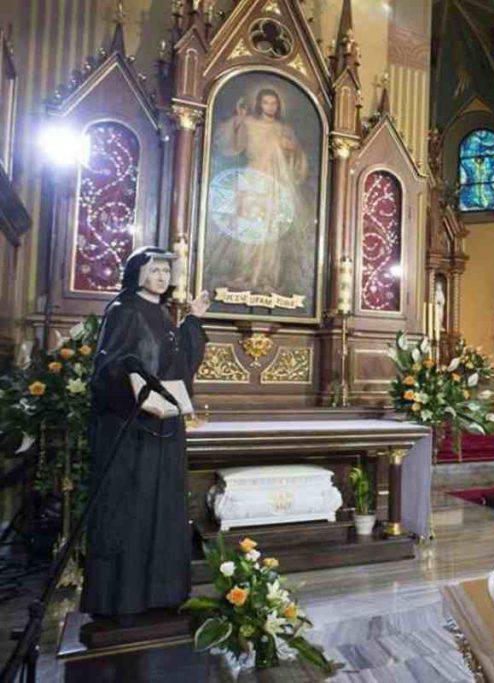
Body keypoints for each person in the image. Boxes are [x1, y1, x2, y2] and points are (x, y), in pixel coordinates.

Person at [81, 248, 209, 619]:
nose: (162, 277)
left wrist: (192, 323)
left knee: (163, 507)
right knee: (130, 509)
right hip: (129, 431)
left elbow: (178, 364)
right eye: (154, 270)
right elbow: (109, 368)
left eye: (166, 271)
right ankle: (122, 597)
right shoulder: (123, 310)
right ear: (136, 273)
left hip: (164, 426)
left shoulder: (165, 315)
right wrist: (133, 382)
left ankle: (162, 592)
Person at [212, 86, 309, 291]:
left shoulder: (284, 130)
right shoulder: (250, 123)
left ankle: (266, 278)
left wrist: (291, 151)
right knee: (248, 227)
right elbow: (234, 147)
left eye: (274, 103)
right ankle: (243, 275)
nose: (270, 107)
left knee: (271, 233)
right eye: (266, 102)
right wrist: (238, 120)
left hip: (276, 183)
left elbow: (297, 159)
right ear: (259, 104)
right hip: (254, 178)